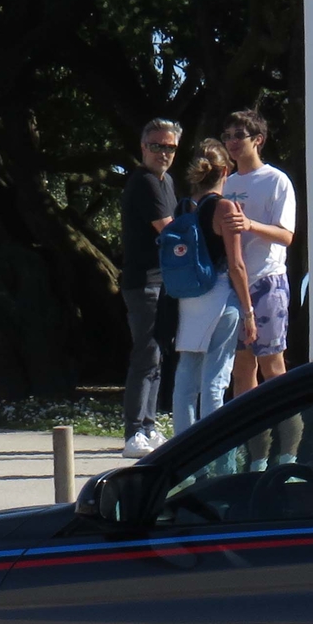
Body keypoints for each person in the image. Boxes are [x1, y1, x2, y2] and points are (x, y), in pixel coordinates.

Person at [170, 139, 255, 436]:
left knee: (186, 378)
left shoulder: (182, 207)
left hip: (189, 298)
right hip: (220, 296)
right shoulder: (224, 208)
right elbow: (236, 266)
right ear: (223, 170)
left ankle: (182, 451)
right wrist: (248, 311)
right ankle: (216, 454)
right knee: (215, 382)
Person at [213, 109, 296, 405]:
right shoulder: (228, 183)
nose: (232, 142)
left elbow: (286, 236)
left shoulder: (276, 181)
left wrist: (250, 225)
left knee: (273, 366)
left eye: (240, 136)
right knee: (242, 368)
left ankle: (286, 442)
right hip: (234, 285)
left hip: (267, 282)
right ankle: (250, 441)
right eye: (228, 136)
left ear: (258, 140)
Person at [119, 118, 182, 455]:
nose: (163, 153)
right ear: (144, 147)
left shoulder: (166, 181)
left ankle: (148, 425)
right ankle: (133, 433)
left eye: (170, 147)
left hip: (163, 281)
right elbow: (169, 230)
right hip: (143, 281)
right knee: (145, 356)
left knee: (157, 356)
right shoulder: (144, 181)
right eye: (157, 146)